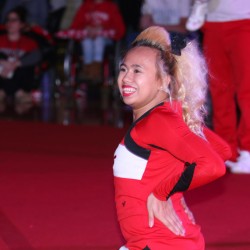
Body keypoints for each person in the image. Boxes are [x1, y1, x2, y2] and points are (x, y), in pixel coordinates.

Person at [113, 26, 231, 249]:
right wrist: (174, 190)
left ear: (164, 80)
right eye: (123, 69)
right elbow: (222, 151)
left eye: (137, 71)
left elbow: (214, 164)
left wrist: (162, 192)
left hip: (160, 243)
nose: (126, 78)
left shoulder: (158, 121)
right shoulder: (165, 117)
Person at [202, 0, 250, 174]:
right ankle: (226, 148)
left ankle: (248, 150)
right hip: (213, 22)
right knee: (219, 89)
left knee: (247, 89)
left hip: (245, 21)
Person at [70, 0, 125, 82]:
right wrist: (87, 28)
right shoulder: (85, 6)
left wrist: (102, 28)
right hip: (87, 37)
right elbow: (75, 26)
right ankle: (87, 68)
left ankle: (96, 70)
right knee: (87, 41)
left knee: (99, 40)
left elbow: (120, 29)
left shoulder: (111, 7)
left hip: (106, 40)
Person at [0, 6, 42, 103]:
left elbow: (37, 56)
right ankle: (18, 92)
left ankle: (5, 91)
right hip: (1, 75)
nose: (9, 23)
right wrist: (3, 63)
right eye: (8, 20)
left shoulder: (29, 42)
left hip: (19, 77)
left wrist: (15, 64)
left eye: (14, 20)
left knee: (26, 65)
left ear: (22, 24)